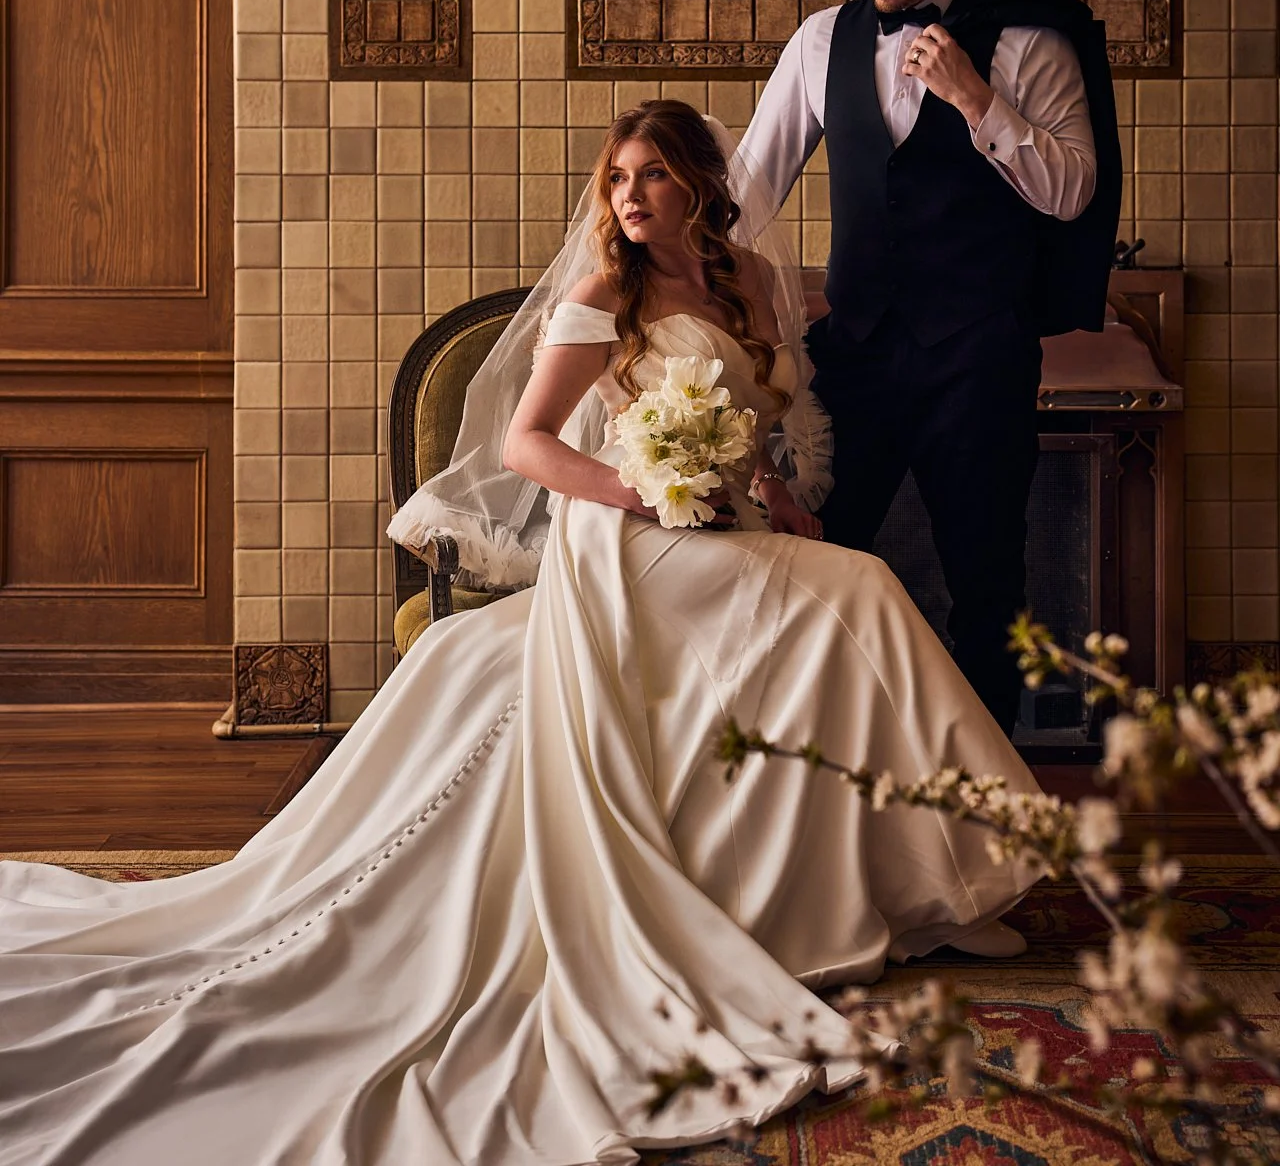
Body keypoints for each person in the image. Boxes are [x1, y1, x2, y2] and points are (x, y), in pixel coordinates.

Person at [0, 101, 1042, 1166]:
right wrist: (639, 488)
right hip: (627, 540)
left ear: (701, 187)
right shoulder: (604, 293)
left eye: (651, 177)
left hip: (722, 525)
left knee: (848, 593)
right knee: (860, 591)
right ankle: (950, 871)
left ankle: (927, 884)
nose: (629, 198)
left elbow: (762, 420)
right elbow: (529, 444)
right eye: (616, 180)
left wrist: (775, 489)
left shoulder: (755, 283)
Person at [740, 0, 1122, 737]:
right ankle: (821, 788)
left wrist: (977, 100)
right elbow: (748, 188)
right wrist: (655, 263)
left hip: (978, 358)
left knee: (988, 581)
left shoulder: (1032, 40)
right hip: (859, 355)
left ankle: (987, 813)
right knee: (813, 564)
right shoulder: (821, 40)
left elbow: (1071, 193)